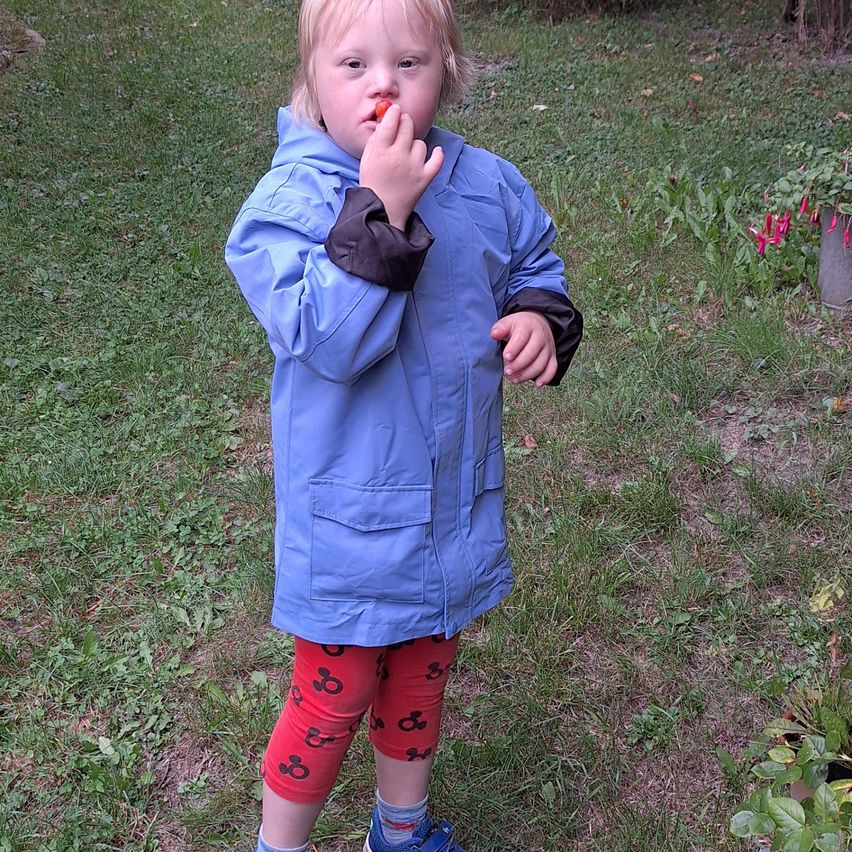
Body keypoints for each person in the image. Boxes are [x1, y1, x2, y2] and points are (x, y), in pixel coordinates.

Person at [224, 0, 583, 849]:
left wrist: (538, 314)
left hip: (451, 507)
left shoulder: (488, 183)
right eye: (354, 65)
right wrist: (379, 211)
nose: (383, 84)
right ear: (312, 78)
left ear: (446, 76)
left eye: (410, 65)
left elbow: (533, 259)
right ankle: (281, 845)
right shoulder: (289, 203)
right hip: (353, 522)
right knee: (333, 696)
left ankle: (402, 827)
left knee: (423, 676)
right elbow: (329, 340)